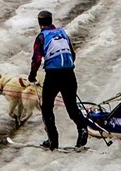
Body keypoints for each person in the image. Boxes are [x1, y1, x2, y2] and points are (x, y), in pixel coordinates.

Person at [28, 10, 88, 150]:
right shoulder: (62, 33)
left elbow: (36, 59)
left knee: (47, 108)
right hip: (69, 74)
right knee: (71, 106)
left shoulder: (41, 37)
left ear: (39, 23)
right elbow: (72, 54)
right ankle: (83, 129)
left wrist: (32, 75)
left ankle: (52, 140)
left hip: (53, 75)